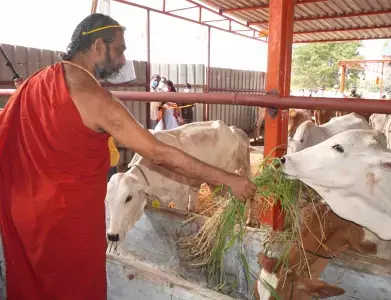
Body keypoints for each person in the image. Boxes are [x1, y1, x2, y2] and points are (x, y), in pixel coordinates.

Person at [0, 13, 256, 300]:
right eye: (119, 49)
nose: (122, 59)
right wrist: (226, 179)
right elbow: (158, 152)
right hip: (67, 221)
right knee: (75, 288)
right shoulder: (96, 99)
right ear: (99, 46)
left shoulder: (36, 82)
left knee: (32, 285)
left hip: (23, 214)